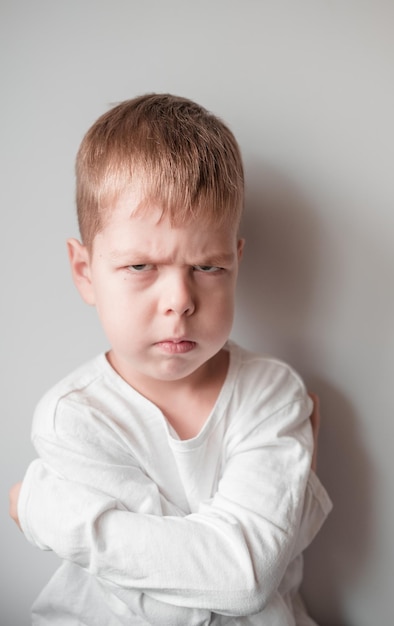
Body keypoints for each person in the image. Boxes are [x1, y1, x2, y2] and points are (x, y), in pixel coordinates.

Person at [9, 93, 332, 625]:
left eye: (208, 267)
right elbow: (165, 609)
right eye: (140, 266)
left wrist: (53, 517)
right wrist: (225, 557)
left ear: (237, 262)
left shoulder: (271, 394)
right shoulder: (73, 418)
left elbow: (241, 576)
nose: (179, 299)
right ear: (86, 271)